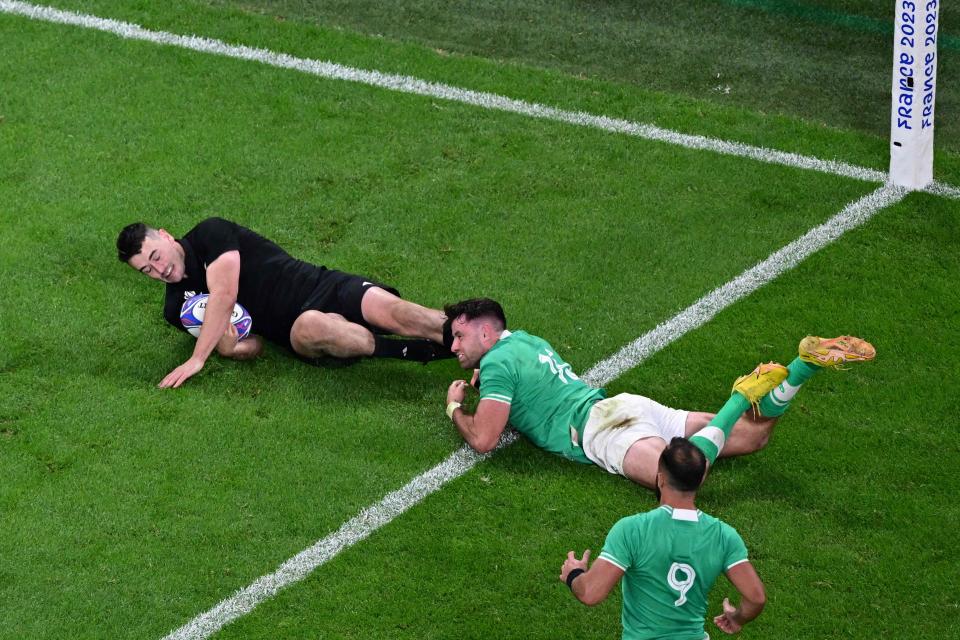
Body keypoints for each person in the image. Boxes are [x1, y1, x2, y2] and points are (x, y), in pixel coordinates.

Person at [442, 297, 875, 489]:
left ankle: (741, 397)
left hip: (600, 430)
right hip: (623, 406)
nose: (454, 347)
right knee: (754, 437)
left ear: (485, 331)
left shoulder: (497, 364)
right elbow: (524, 385)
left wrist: (456, 407)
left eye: (459, 337)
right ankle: (802, 367)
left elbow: (484, 439)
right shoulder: (524, 341)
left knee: (683, 479)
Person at [117, 217, 453, 388]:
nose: (161, 270)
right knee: (330, 330)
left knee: (401, 313)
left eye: (157, 257)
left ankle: (479, 339)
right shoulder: (177, 308)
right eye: (147, 270)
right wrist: (228, 347)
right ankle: (418, 352)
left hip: (324, 284)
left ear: (164, 235)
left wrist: (197, 359)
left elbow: (224, 293)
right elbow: (254, 346)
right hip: (295, 329)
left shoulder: (210, 233)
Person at [558, 437, 766, 638]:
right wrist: (737, 618)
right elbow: (755, 598)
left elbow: (590, 593)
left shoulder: (633, 530)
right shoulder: (724, 536)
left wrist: (574, 574)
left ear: (660, 477)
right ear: (700, 479)